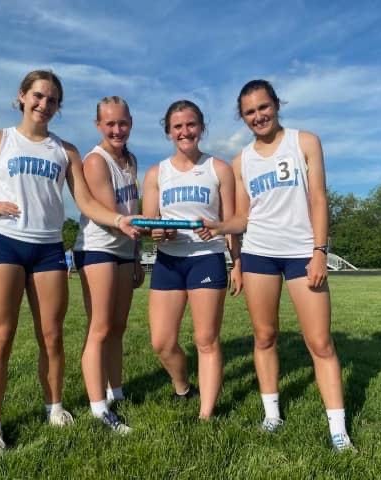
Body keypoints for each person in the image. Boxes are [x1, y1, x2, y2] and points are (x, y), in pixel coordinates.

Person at [0, 70, 139, 452]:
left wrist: (119, 220)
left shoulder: (65, 151)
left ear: (58, 106)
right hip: (5, 244)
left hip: (49, 249)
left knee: (51, 337)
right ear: (22, 96)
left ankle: (55, 407)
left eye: (52, 100)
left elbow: (85, 202)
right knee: (0, 337)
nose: (43, 104)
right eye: (37, 96)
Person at [203, 79, 355, 451]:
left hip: (303, 253)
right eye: (250, 112)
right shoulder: (241, 161)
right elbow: (243, 217)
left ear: (276, 104)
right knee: (265, 336)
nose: (258, 116)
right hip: (259, 254)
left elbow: (318, 199)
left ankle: (338, 430)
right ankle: (272, 415)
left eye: (263, 107)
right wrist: (222, 229)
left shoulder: (305, 142)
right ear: (242, 117)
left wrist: (319, 251)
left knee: (320, 342)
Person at [141, 100, 240, 420]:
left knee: (206, 339)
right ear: (169, 131)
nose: (185, 131)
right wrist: (158, 232)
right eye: (178, 126)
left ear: (201, 127)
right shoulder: (156, 173)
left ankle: (206, 415)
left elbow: (232, 221)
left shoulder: (219, 168)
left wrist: (236, 262)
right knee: (162, 342)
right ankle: (183, 387)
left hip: (206, 259)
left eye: (191, 124)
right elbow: (149, 223)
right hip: (169, 261)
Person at [73, 96, 144, 434]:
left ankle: (117, 392)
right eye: (110, 124)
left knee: (118, 327)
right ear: (98, 125)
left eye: (123, 123)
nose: (117, 130)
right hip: (98, 248)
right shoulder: (96, 161)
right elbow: (111, 215)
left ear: (131, 122)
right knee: (99, 328)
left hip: (125, 250)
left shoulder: (131, 160)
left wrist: (137, 254)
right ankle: (98, 407)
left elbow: (134, 210)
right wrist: (151, 226)